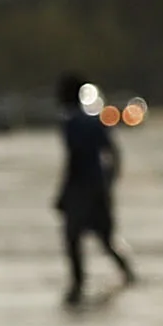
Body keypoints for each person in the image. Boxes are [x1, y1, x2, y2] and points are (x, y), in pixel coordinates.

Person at [55, 71, 135, 303]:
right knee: (105, 238)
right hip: (97, 187)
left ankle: (77, 284)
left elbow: (74, 160)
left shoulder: (70, 124)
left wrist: (65, 193)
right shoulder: (94, 121)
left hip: (80, 189)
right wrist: (109, 181)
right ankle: (128, 273)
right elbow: (113, 153)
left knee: (72, 238)